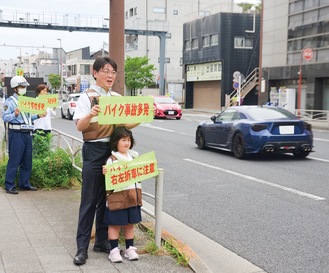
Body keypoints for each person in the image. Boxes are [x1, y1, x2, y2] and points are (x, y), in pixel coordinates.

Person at [72, 56, 139, 266]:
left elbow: (125, 124)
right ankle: (81, 248)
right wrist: (90, 114)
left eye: (113, 72)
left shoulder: (117, 97)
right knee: (89, 201)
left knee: (109, 199)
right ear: (95, 72)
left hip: (112, 152)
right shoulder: (87, 97)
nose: (110, 75)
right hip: (93, 150)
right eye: (106, 71)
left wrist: (144, 115)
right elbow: (79, 126)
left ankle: (101, 241)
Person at [2, 75, 47, 194]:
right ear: (15, 88)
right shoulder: (10, 102)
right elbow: (5, 117)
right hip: (16, 133)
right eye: (21, 87)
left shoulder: (26, 101)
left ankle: (24, 183)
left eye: (25, 87)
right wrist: (15, 114)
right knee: (14, 159)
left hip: (27, 132)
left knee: (27, 160)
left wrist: (38, 115)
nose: (24, 89)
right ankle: (9, 185)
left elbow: (27, 117)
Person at [103, 126, 142, 263]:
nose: (126, 143)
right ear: (115, 142)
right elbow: (108, 179)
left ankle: (130, 248)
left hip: (132, 195)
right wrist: (106, 172)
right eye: (123, 140)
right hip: (117, 198)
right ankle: (114, 250)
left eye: (129, 140)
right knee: (114, 224)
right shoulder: (112, 160)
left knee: (130, 223)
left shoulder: (134, 157)